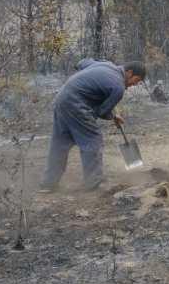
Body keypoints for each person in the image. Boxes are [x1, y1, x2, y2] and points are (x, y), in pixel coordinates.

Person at [39, 59, 147, 193]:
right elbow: (101, 112)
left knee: (60, 144)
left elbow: (81, 63)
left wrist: (87, 83)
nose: (133, 85)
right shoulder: (118, 87)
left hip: (61, 100)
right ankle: (94, 184)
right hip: (77, 106)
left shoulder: (105, 65)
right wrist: (111, 116)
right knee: (93, 140)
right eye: (135, 81)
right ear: (129, 73)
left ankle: (48, 184)